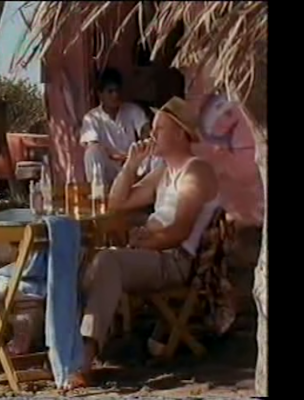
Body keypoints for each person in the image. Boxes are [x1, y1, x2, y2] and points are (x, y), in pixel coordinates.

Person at [75, 97, 220, 382]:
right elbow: (116, 204)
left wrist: (141, 243)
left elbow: (179, 232)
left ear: (180, 134)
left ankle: (84, 358)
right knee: (82, 260)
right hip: (155, 253)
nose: (152, 134)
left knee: (108, 261)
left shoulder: (196, 171)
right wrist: (131, 166)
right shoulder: (163, 173)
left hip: (176, 260)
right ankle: (73, 346)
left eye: (160, 128)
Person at [79, 68, 157, 185]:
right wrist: (118, 157)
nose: (115, 95)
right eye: (110, 91)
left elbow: (146, 131)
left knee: (155, 149)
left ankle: (152, 189)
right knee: (92, 152)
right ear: (100, 94)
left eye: (117, 90)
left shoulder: (133, 110)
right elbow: (93, 144)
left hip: (132, 163)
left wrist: (141, 147)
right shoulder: (92, 117)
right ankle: (99, 190)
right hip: (109, 166)